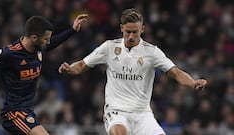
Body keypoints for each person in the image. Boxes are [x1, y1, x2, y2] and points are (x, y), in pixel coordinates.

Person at [58, 8, 207, 135]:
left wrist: (193, 82)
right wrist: (69, 69)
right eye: (127, 32)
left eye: (135, 32)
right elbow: (83, 65)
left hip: (142, 113)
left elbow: (175, 72)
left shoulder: (152, 52)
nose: (130, 36)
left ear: (142, 29)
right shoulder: (109, 48)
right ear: (121, 28)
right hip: (116, 111)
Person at [0, 14, 88, 135]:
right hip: (13, 114)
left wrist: (73, 29)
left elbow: (54, 42)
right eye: (45, 39)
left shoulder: (39, 48)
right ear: (34, 38)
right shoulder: (9, 53)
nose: (48, 42)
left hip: (28, 111)